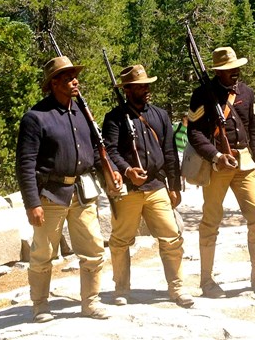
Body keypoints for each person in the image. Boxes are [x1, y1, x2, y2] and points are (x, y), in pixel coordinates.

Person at [16, 55, 123, 322]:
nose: (75, 82)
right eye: (68, 78)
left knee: (94, 249)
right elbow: (25, 164)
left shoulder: (81, 113)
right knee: (42, 253)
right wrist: (33, 203)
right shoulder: (35, 117)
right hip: (50, 194)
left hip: (83, 191)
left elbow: (95, 153)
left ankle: (91, 302)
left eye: (75, 77)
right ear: (54, 83)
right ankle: (40, 305)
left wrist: (111, 172)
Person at [187, 47, 255, 298]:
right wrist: (215, 156)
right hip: (216, 166)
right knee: (210, 221)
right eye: (229, 69)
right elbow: (194, 133)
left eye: (236, 68)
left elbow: (253, 132)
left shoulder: (246, 93)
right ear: (218, 71)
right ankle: (207, 281)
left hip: (245, 162)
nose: (235, 72)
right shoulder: (202, 95)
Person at [102, 64, 194, 308]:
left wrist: (174, 185)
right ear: (128, 90)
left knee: (172, 237)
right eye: (140, 86)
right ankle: (121, 289)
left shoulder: (160, 115)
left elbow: (170, 151)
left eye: (146, 85)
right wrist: (127, 171)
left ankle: (177, 288)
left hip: (156, 185)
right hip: (129, 190)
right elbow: (109, 151)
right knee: (120, 241)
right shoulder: (114, 118)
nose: (146, 90)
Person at [172, 114, 188, 189]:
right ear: (184, 118)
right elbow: (169, 133)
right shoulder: (177, 126)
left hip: (185, 151)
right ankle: (180, 182)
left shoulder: (190, 129)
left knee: (184, 167)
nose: (188, 120)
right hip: (177, 150)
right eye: (187, 118)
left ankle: (183, 181)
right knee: (179, 165)